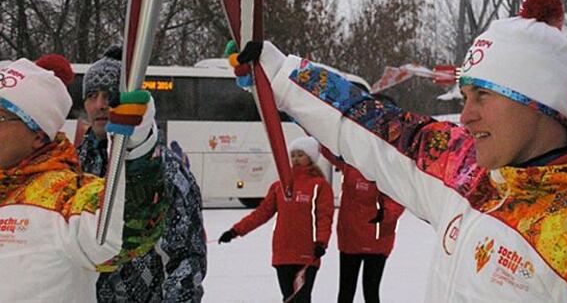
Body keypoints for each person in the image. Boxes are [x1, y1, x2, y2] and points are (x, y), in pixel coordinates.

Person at [230, 0, 567, 301]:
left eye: (483, 95)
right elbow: (371, 122)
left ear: (538, 104)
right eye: (465, 96)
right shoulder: (467, 169)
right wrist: (278, 73)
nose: (466, 115)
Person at [0, 57, 166, 302]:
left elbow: (125, 234)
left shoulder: (69, 196)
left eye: (1, 117)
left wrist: (136, 146)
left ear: (38, 134)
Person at [79, 45, 207, 302]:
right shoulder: (75, 165)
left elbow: (187, 256)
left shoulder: (166, 169)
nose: (100, 105)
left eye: (110, 95)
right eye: (92, 96)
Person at [218, 136, 334, 303]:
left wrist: (321, 243)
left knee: (302, 299)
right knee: (288, 299)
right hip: (283, 252)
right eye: (293, 155)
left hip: (307, 252)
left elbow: (324, 217)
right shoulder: (279, 186)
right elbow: (261, 213)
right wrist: (235, 231)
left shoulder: (320, 185)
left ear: (310, 158)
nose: (295, 159)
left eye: (300, 154)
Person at [329, 156, 404, 303]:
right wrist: (314, 133)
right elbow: (328, 149)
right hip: (351, 240)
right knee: (347, 290)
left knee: (369, 291)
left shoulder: (387, 172)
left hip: (375, 241)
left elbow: (397, 200)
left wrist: (386, 214)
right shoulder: (351, 166)